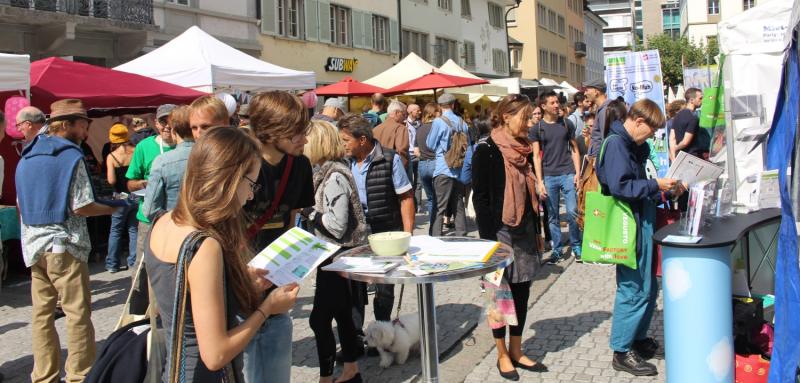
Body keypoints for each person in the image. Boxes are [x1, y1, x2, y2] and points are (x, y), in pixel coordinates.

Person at [146, 126, 299, 383]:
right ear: (230, 179)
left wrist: (237, 280)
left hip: (174, 370)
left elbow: (182, 295)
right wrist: (268, 307)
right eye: (251, 184)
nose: (250, 195)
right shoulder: (204, 245)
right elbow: (215, 354)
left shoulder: (163, 222)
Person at [17, 99, 121, 383]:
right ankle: (79, 375)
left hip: (35, 244)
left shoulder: (27, 155)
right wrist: (117, 206)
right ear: (69, 124)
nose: (87, 129)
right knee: (77, 313)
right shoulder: (69, 155)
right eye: (84, 123)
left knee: (42, 315)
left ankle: (44, 376)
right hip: (65, 243)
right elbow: (82, 206)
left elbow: (20, 204)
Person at [596, 99, 685, 377]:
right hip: (627, 225)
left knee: (648, 288)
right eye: (650, 130)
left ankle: (637, 338)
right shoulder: (616, 145)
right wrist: (655, 185)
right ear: (638, 121)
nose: (651, 136)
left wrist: (665, 190)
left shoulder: (634, 145)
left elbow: (641, 183)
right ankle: (621, 351)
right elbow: (621, 186)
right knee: (633, 289)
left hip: (642, 221)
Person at [472, 94, 548, 380]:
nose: (529, 123)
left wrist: (538, 229)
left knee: (521, 292)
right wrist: (488, 242)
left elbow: (531, 196)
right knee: (498, 297)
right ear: (506, 116)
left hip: (524, 229)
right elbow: (480, 199)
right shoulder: (486, 149)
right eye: (524, 117)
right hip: (498, 232)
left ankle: (517, 349)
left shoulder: (524, 148)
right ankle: (502, 354)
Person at [243, 91, 315, 382]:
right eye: (296, 132)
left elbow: (291, 219)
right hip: (238, 290)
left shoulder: (299, 165)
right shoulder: (240, 163)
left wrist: (289, 268)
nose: (304, 139)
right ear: (272, 130)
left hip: (275, 287)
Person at [339, 113, 415, 340]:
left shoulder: (389, 159)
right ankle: (355, 338)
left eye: (346, 140)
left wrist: (408, 235)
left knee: (384, 285)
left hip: (385, 230)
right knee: (355, 285)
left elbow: (406, 197)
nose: (343, 145)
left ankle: (382, 334)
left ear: (362, 139)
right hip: (356, 233)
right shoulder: (345, 162)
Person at [302, 120, 367, 383]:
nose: (303, 145)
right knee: (342, 314)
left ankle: (327, 377)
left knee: (319, 320)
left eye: (307, 140)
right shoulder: (329, 172)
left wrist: (311, 213)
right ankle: (351, 370)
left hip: (336, 256)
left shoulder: (334, 176)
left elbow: (337, 226)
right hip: (335, 256)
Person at [530, 91, 582, 263]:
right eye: (552, 102)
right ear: (543, 106)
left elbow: (575, 149)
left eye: (557, 102)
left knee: (573, 211)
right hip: (549, 176)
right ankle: (557, 249)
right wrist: (540, 181)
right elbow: (536, 156)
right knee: (552, 216)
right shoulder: (537, 128)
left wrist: (578, 173)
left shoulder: (566, 124)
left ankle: (576, 244)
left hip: (567, 172)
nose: (556, 105)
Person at [126, 104, 177, 275]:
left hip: (177, 218)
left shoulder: (186, 147)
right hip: (149, 218)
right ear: (156, 123)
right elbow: (130, 183)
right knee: (143, 268)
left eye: (172, 121)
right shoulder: (144, 147)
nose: (168, 126)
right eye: (163, 121)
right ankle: (139, 301)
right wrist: (146, 183)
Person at [142, 106, 195, 221]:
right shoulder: (212, 155)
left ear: (173, 131)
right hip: (208, 228)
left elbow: (149, 210)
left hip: (175, 227)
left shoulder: (162, 161)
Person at [427, 93, 469, 237]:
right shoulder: (463, 123)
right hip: (459, 169)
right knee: (458, 204)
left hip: (443, 168)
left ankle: (435, 235)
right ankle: (461, 233)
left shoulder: (439, 122)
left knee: (439, 206)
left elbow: (430, 144)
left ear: (440, 106)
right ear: (453, 105)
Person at [105, 123, 137, 273]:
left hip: (119, 196)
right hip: (136, 195)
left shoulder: (111, 157)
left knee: (116, 230)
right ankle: (133, 261)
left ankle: (112, 264)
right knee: (134, 230)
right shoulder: (136, 151)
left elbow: (111, 181)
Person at [416, 103, 440, 227]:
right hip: (436, 163)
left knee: (431, 198)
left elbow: (415, 150)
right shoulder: (437, 127)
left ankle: (432, 226)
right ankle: (437, 226)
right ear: (435, 112)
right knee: (438, 198)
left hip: (423, 164)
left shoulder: (419, 128)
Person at [669, 87, 704, 161]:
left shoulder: (678, 115)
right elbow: (685, 142)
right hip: (692, 157)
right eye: (700, 98)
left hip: (679, 157)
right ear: (691, 100)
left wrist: (673, 156)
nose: (702, 101)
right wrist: (676, 148)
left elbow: (672, 138)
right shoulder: (693, 117)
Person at [373, 100, 410, 167]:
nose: (405, 117)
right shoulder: (400, 128)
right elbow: (401, 150)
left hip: (377, 167)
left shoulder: (375, 129)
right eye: (404, 114)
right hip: (393, 168)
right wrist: (402, 169)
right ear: (397, 112)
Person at [584, 79, 610, 157]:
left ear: (596, 92)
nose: (585, 93)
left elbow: (605, 139)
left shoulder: (605, 110)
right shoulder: (601, 109)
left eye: (587, 90)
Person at [406, 103, 421, 208]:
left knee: (419, 182)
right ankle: (411, 203)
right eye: (417, 110)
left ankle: (418, 204)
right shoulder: (404, 124)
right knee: (409, 181)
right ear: (411, 112)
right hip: (409, 155)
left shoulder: (420, 123)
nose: (420, 112)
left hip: (419, 154)